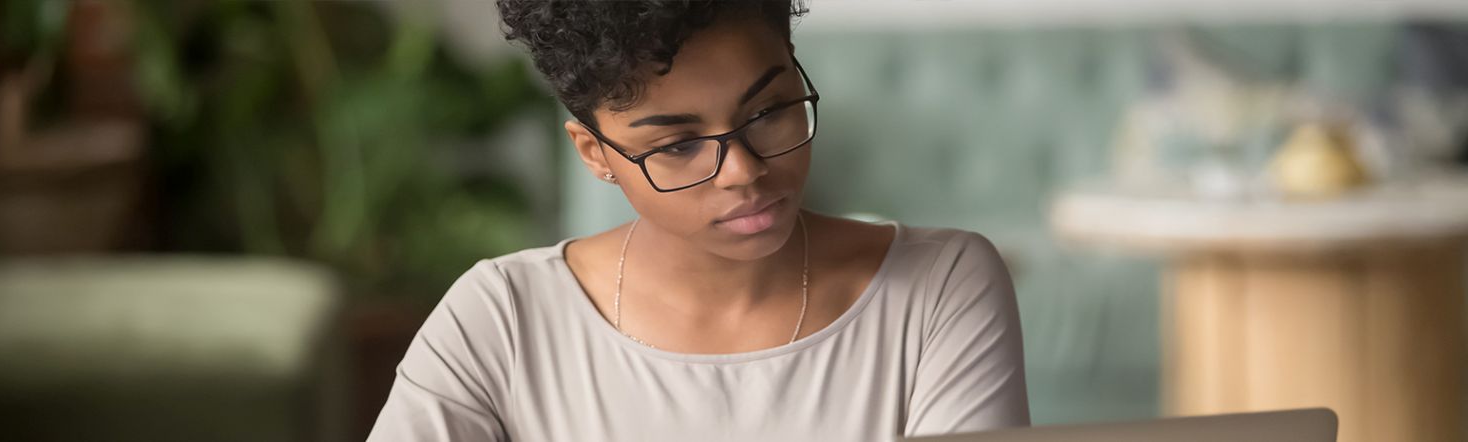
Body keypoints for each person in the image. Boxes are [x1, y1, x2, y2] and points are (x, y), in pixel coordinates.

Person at [367, 1, 1030, 440]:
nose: (743, 171)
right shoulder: (503, 317)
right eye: (678, 145)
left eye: (768, 111)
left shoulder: (941, 287)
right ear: (597, 154)